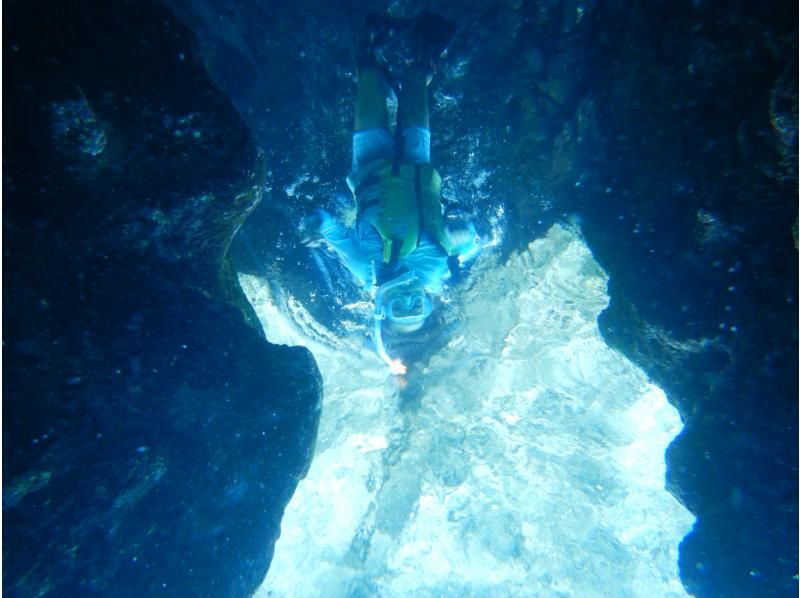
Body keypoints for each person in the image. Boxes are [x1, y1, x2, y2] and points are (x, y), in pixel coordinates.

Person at [302, 13, 480, 375]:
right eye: (419, 306)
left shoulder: (363, 267)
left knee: (367, 82)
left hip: (369, 170)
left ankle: (368, 51)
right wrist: (472, 235)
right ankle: (421, 62)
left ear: (382, 309)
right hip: (417, 167)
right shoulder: (436, 272)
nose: (410, 297)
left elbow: (330, 228)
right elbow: (467, 242)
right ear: (430, 304)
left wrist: (313, 224)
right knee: (417, 85)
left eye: (402, 308)